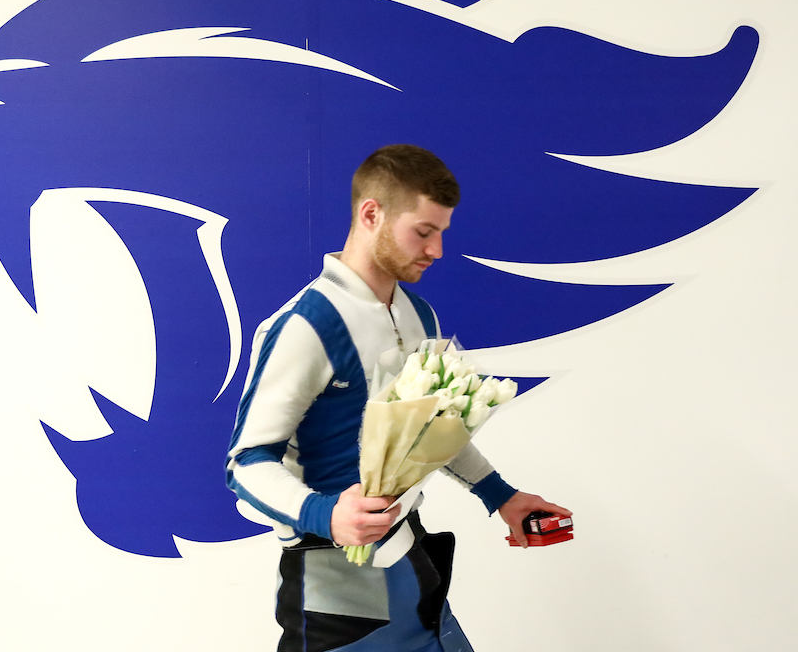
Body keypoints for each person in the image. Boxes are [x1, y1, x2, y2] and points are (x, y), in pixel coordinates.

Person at [225, 144, 569, 652]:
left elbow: (431, 432)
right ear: (372, 215)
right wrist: (326, 514)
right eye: (424, 232)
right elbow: (245, 463)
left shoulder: (419, 315)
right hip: (335, 589)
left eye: (442, 234)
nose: (436, 251)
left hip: (414, 561)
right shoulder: (306, 326)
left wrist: (502, 497)